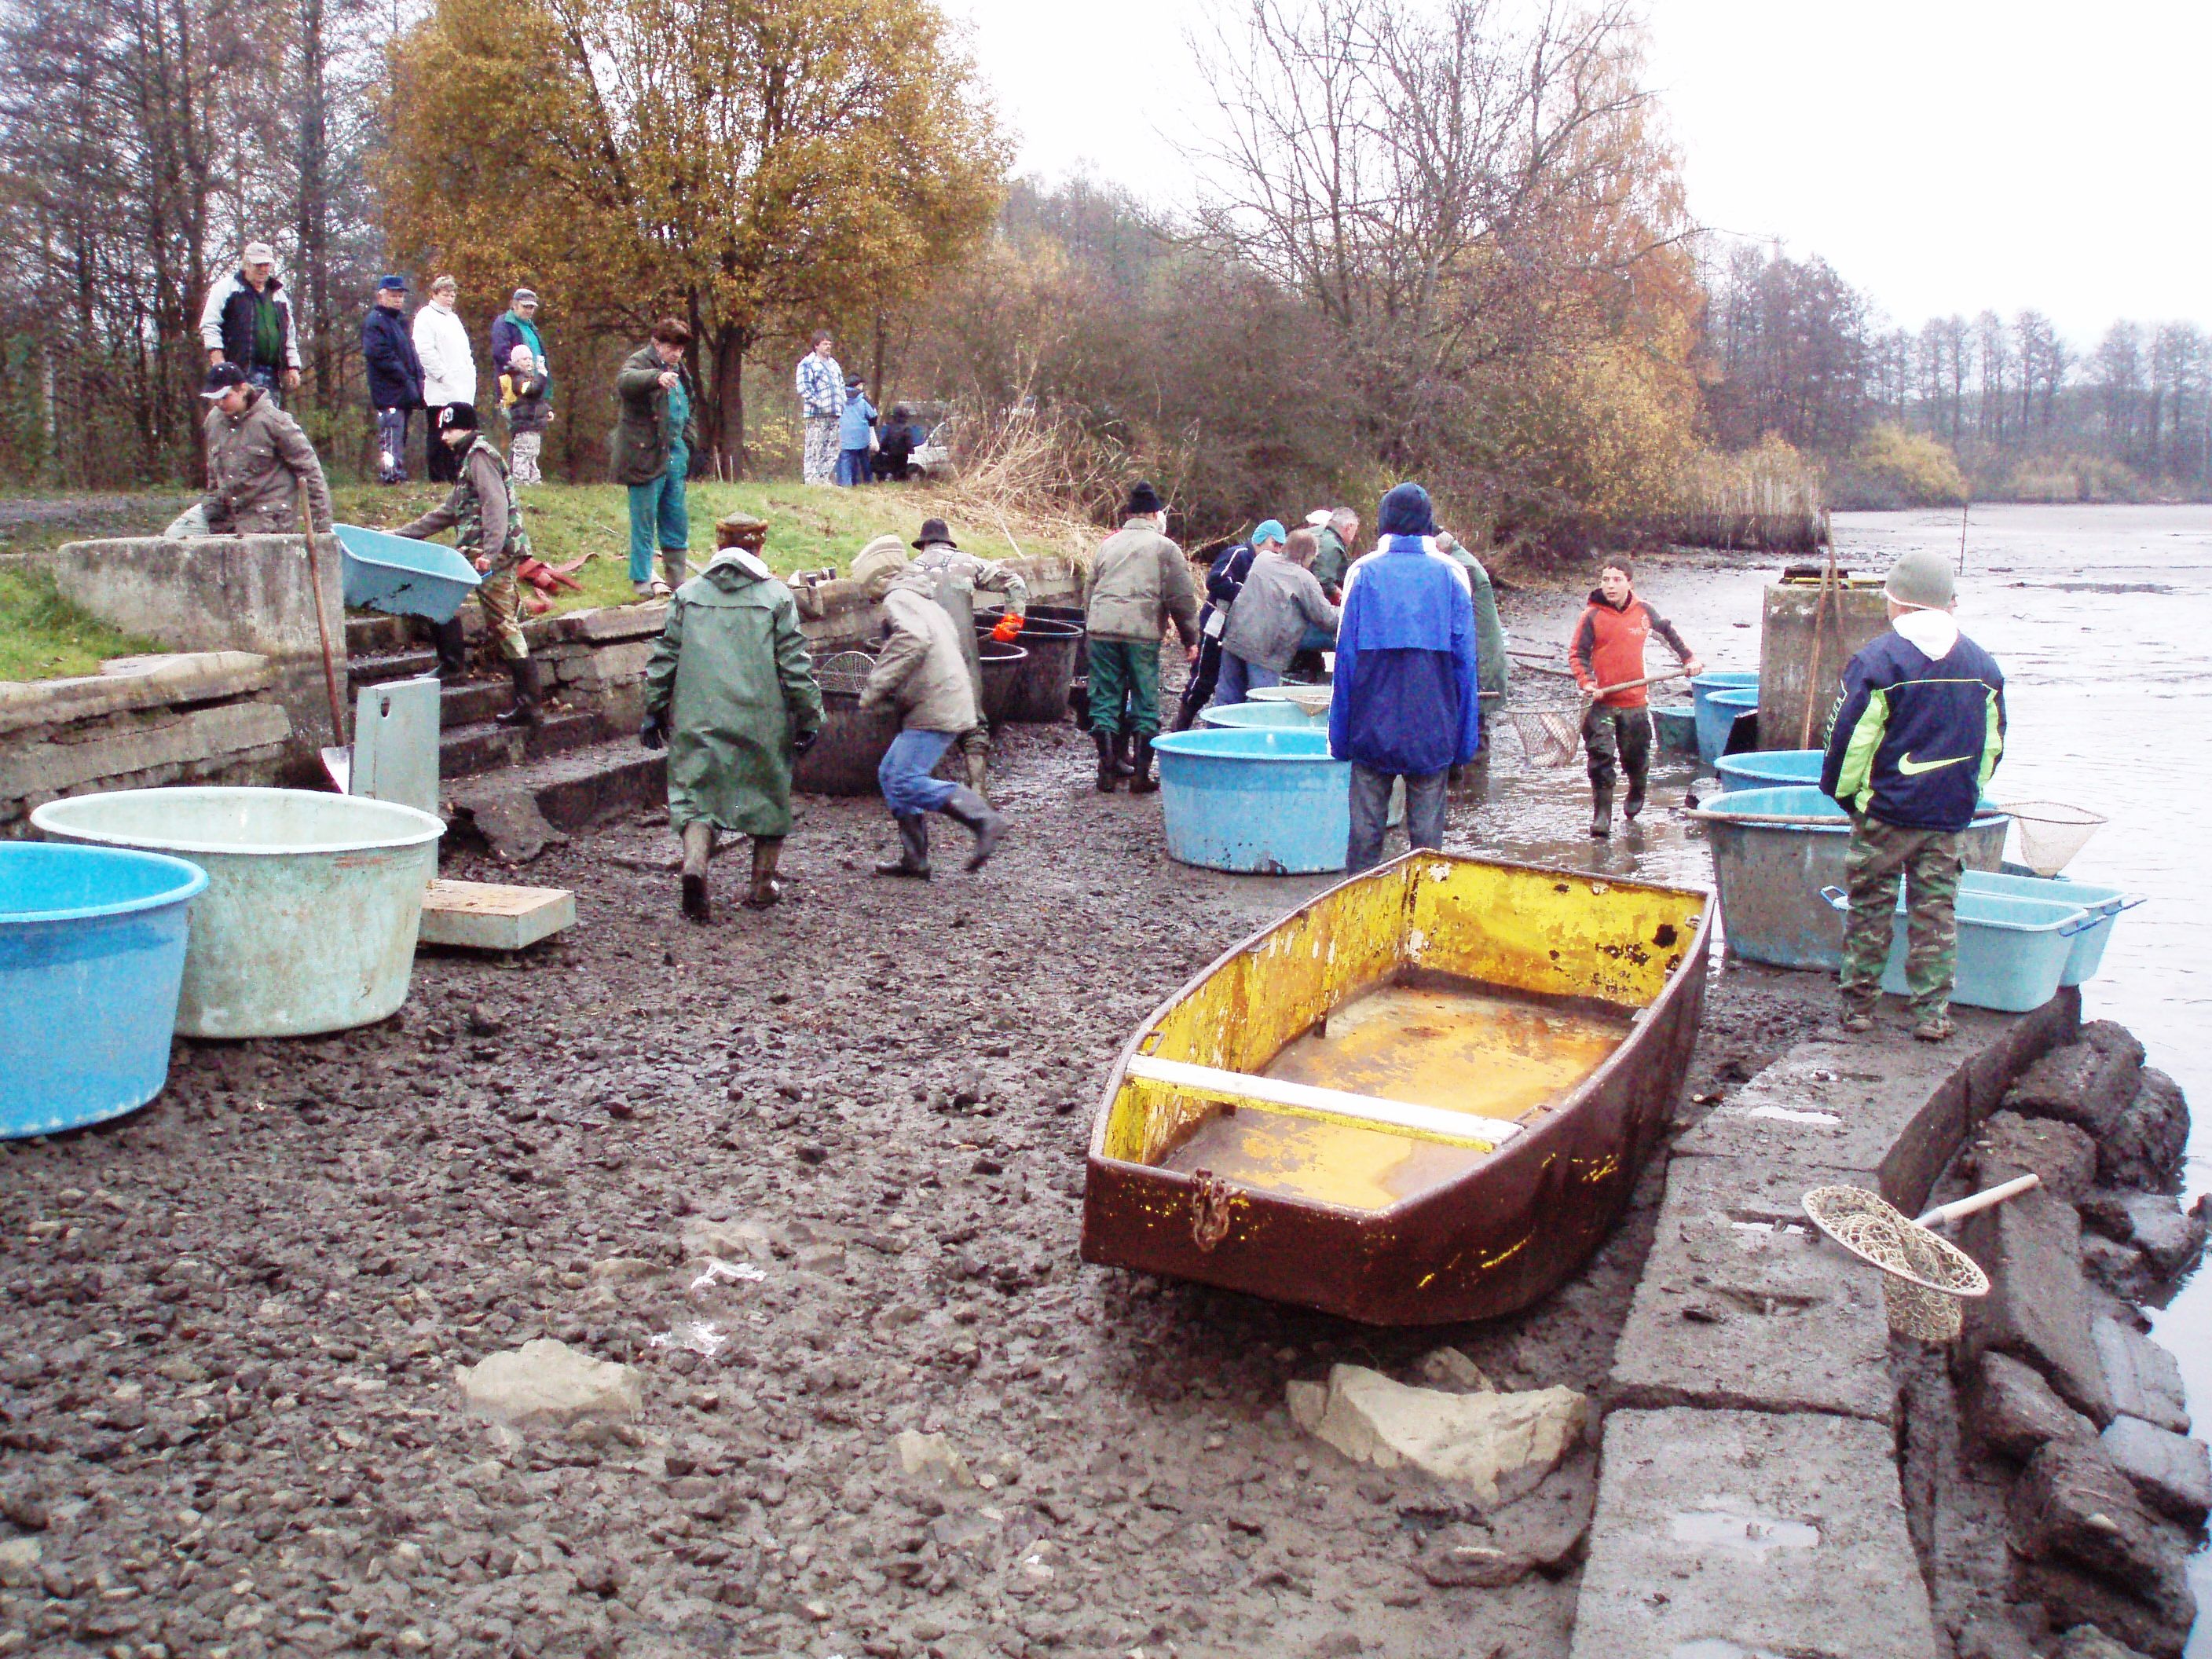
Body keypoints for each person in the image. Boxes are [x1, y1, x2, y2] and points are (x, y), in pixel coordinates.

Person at [1820, 548, 2006, 1044]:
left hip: (1885, 813)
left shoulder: (1877, 662)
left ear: (1897, 604)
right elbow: (1991, 746)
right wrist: (1966, 795)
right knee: (1936, 914)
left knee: (1870, 908)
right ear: (1949, 603)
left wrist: (1845, 797)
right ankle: (1931, 1014)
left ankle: (1859, 1009)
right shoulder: (1983, 666)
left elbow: (1849, 741)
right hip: (1947, 816)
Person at [639, 511, 825, 922]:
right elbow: (794, 666)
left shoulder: (687, 594)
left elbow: (665, 655)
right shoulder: (776, 597)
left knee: (695, 795)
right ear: (759, 547)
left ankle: (694, 869)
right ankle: (761, 886)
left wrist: (653, 708)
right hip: (761, 718)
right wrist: (810, 715)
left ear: (720, 547)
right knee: (769, 792)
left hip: (696, 715)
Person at [1328, 483, 1480, 874]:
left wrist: (1339, 738)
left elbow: (1345, 661)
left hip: (1369, 726)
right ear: (1428, 523)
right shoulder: (1452, 574)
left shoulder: (1362, 572)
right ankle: (1422, 918)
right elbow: (1466, 666)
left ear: (1384, 522)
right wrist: (1465, 742)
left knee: (1365, 835)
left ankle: (1356, 914)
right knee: (1427, 844)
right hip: (1432, 726)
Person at [851, 539, 1006, 877]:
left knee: (904, 778)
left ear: (879, 579)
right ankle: (915, 858)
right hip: (944, 696)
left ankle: (984, 818)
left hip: (936, 703)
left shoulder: (898, 599)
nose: (870, 597)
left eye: (868, 588)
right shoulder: (926, 601)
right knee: (890, 774)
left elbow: (912, 640)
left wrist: (876, 687)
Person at [392, 404, 542, 726]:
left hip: (492, 555)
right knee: (438, 589)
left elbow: (495, 504)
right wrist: (399, 535)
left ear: (465, 428)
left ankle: (529, 704)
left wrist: (491, 550)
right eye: (442, 430)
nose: (444, 436)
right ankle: (451, 664)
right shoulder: (468, 460)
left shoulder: (480, 456)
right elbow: (447, 512)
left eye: (449, 429)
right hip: (476, 551)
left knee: (502, 623)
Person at [1569, 555, 1702, 837]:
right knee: (1600, 758)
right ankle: (1602, 814)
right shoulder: (1591, 616)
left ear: (1629, 582)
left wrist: (1688, 659)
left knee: (1635, 756)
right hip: (1600, 703)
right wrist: (1587, 683)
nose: (1610, 585)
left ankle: (1637, 788)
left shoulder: (1644, 612)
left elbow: (1669, 636)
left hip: (1635, 702)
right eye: (1605, 580)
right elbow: (1578, 654)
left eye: (1617, 580)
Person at [897, 516, 1028, 798]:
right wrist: (1013, 620)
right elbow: (1015, 582)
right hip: (962, 655)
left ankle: (920, 787)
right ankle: (978, 789)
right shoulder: (967, 563)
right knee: (973, 720)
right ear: (948, 542)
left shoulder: (909, 571)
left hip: (925, 657)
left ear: (922, 545)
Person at [1084, 482, 1199, 793]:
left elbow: (1090, 590)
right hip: (1141, 634)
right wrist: (1191, 638)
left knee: (1105, 700)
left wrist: (1090, 629)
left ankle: (1107, 773)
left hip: (1102, 630)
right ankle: (1140, 776)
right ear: (1154, 514)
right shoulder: (1165, 548)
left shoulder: (1107, 544)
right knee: (1145, 700)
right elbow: (1181, 598)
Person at [165, 363, 333, 541]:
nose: (219, 404)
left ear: (243, 390)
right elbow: (214, 472)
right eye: (214, 398)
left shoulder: (275, 422)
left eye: (225, 397)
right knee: (172, 539)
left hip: (267, 516)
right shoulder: (214, 421)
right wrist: (213, 501)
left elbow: (311, 471)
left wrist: (322, 528)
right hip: (225, 509)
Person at [612, 317, 698, 598]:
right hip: (644, 455)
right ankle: (641, 579)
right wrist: (655, 378)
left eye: (681, 350)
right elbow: (625, 382)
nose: (677, 354)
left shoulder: (681, 370)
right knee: (645, 519)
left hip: (675, 454)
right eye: (672, 348)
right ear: (657, 343)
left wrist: (689, 441)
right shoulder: (639, 362)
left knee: (676, 517)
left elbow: (690, 405)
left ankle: (677, 579)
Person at [1213, 522, 1339, 707]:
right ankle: (1256, 736)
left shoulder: (1263, 559)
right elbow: (1326, 618)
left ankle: (1217, 734)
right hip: (1265, 652)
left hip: (1235, 639)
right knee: (1261, 704)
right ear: (1309, 555)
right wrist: (1348, 611)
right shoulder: (1305, 579)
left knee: (1226, 699)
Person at [1171, 534, 1258, 731]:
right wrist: (1248, 594)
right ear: (1260, 540)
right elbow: (1216, 581)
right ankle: (1181, 725)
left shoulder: (1268, 564)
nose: (1276, 550)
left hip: (1240, 630)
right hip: (1216, 623)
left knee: (1234, 682)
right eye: (1274, 544)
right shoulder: (1238, 555)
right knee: (1204, 678)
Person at [199, 241, 302, 404]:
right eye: (258, 264)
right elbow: (210, 325)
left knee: (269, 421)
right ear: (246, 264)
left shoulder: (278, 295)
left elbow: (289, 334)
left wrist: (293, 367)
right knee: (240, 420)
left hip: (272, 375)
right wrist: (219, 363)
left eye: (266, 264)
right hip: (238, 374)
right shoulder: (226, 288)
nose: (263, 269)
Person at [360, 276, 424, 485]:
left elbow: (410, 354)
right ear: (381, 295)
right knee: (389, 434)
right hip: (387, 390)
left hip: (404, 388)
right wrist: (404, 376)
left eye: (401, 296)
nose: (398, 300)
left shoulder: (399, 322)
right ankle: (389, 475)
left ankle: (398, 472)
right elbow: (379, 355)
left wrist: (416, 378)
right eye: (394, 295)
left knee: (400, 434)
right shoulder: (375, 321)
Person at [413, 276, 476, 484]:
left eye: (452, 294)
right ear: (435, 294)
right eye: (445, 294)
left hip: (461, 388)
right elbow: (425, 351)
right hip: (440, 389)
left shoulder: (454, 319)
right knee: (438, 433)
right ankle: (437, 477)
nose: (449, 298)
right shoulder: (425, 317)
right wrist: (442, 375)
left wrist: (470, 374)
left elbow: (464, 352)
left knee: (457, 434)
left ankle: (454, 475)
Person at [796, 330, 843, 485]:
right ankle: (811, 480)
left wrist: (842, 401)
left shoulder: (834, 365)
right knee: (815, 446)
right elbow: (804, 387)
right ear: (816, 345)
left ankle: (823, 478)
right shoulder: (808, 364)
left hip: (835, 413)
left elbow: (841, 385)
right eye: (825, 343)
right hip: (816, 414)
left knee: (833, 447)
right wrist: (819, 401)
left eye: (830, 343)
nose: (828, 346)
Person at [500, 345, 551, 484]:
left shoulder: (529, 377)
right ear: (516, 362)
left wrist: (547, 410)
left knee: (533, 453)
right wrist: (542, 376)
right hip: (524, 423)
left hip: (533, 424)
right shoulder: (518, 379)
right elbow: (531, 392)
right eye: (524, 359)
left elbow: (538, 400)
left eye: (530, 358)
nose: (529, 361)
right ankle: (520, 479)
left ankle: (534, 479)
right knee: (523, 452)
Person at [1309, 507, 1359, 602]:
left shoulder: (1312, 531)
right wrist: (1339, 594)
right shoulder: (1333, 546)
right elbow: (1323, 581)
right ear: (1349, 527)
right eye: (1355, 531)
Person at [836, 377, 877, 486]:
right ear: (858, 385)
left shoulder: (839, 398)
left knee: (846, 462)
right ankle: (868, 483)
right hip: (862, 436)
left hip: (844, 436)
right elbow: (873, 415)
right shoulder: (863, 399)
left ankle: (846, 487)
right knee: (864, 461)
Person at [873, 405, 922, 481]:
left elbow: (885, 442)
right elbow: (908, 442)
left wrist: (883, 450)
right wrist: (911, 450)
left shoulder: (890, 429)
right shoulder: (906, 429)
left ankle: (891, 478)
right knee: (901, 472)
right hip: (902, 456)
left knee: (892, 471)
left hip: (891, 456)